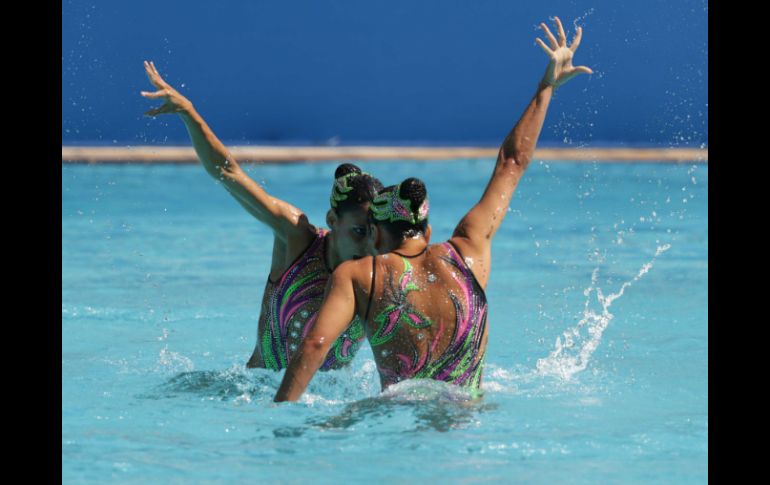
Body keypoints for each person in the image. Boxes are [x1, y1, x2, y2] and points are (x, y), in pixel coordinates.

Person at [274, 16, 592, 401]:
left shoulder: (360, 275)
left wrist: (280, 418)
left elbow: (314, 345)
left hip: (397, 419)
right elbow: (512, 162)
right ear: (425, 230)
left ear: (375, 233)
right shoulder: (469, 251)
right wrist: (547, 87)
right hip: (465, 425)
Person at [141, 63, 384, 371]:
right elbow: (228, 172)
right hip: (257, 400)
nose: (369, 248)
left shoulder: (381, 273)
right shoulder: (297, 237)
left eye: (376, 235)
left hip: (326, 411)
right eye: (360, 232)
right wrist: (189, 113)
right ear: (333, 220)